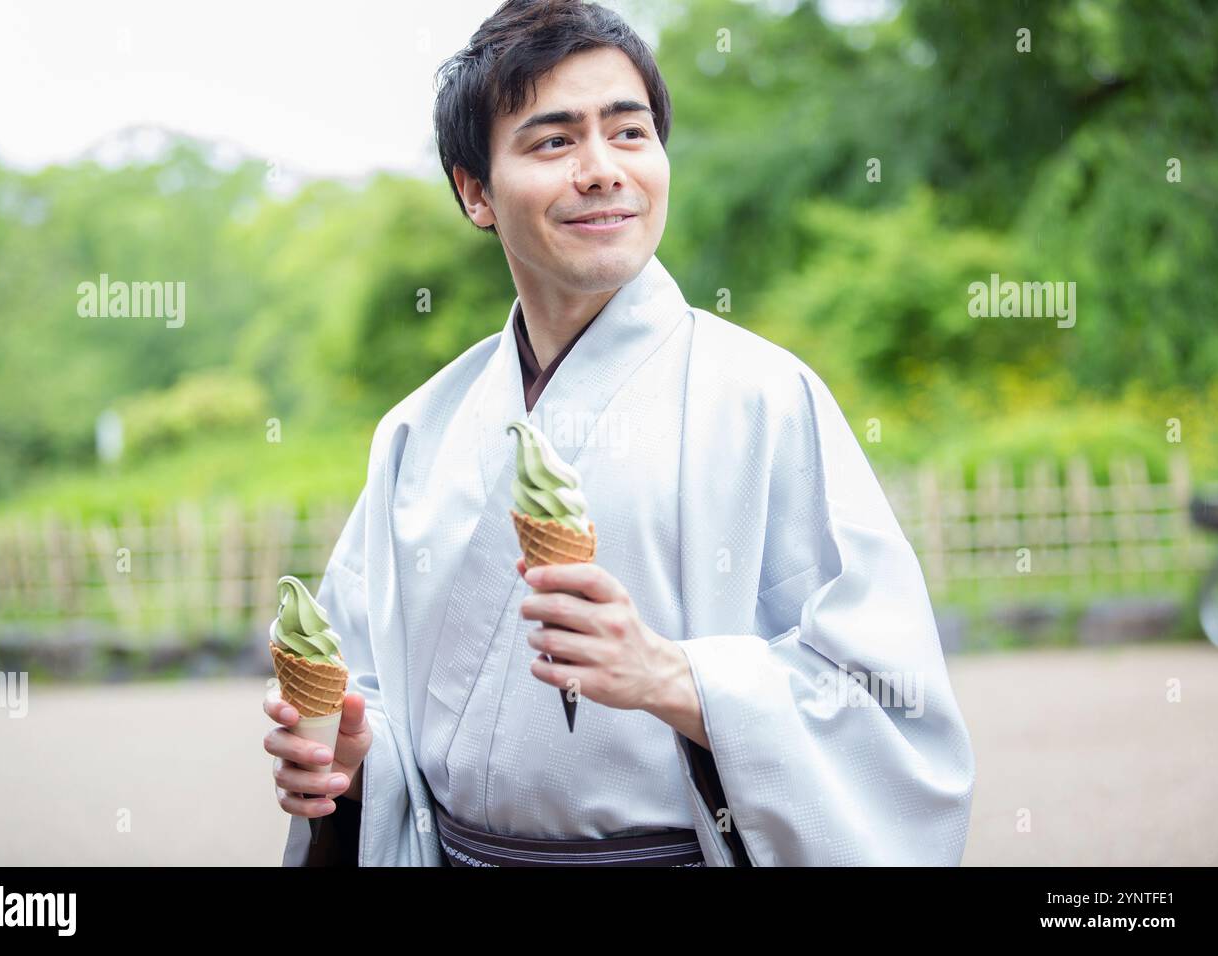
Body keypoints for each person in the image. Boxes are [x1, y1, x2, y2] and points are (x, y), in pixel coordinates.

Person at [263, 0, 975, 867]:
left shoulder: (764, 400)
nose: (603, 170)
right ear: (475, 191)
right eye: (553, 141)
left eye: (629, 133)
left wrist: (675, 678)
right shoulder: (420, 429)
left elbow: (888, 702)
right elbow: (369, 691)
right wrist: (353, 758)